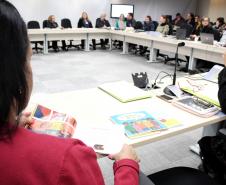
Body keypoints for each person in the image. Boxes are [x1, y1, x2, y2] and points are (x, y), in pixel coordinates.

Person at [0, 1, 150, 185]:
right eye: (29, 60)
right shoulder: (66, 158)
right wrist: (127, 165)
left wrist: (11, 122)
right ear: (14, 70)